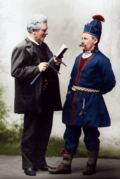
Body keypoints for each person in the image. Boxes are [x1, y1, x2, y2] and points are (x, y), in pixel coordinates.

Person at [48, 15, 116, 175]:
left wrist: (95, 94)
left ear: (95, 41)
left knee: (91, 133)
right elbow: (73, 78)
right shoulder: (79, 57)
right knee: (70, 131)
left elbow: (110, 82)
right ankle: (65, 165)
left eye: (85, 38)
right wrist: (71, 92)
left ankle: (91, 165)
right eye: (82, 38)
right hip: (74, 102)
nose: (82, 41)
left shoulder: (102, 60)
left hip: (90, 103)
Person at [11, 14, 62, 176]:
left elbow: (47, 68)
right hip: (32, 99)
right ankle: (28, 165)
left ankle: (40, 162)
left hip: (47, 97)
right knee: (31, 133)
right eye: (43, 30)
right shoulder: (21, 48)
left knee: (44, 131)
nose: (46, 33)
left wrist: (56, 64)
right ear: (33, 30)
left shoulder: (44, 46)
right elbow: (16, 71)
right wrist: (36, 68)